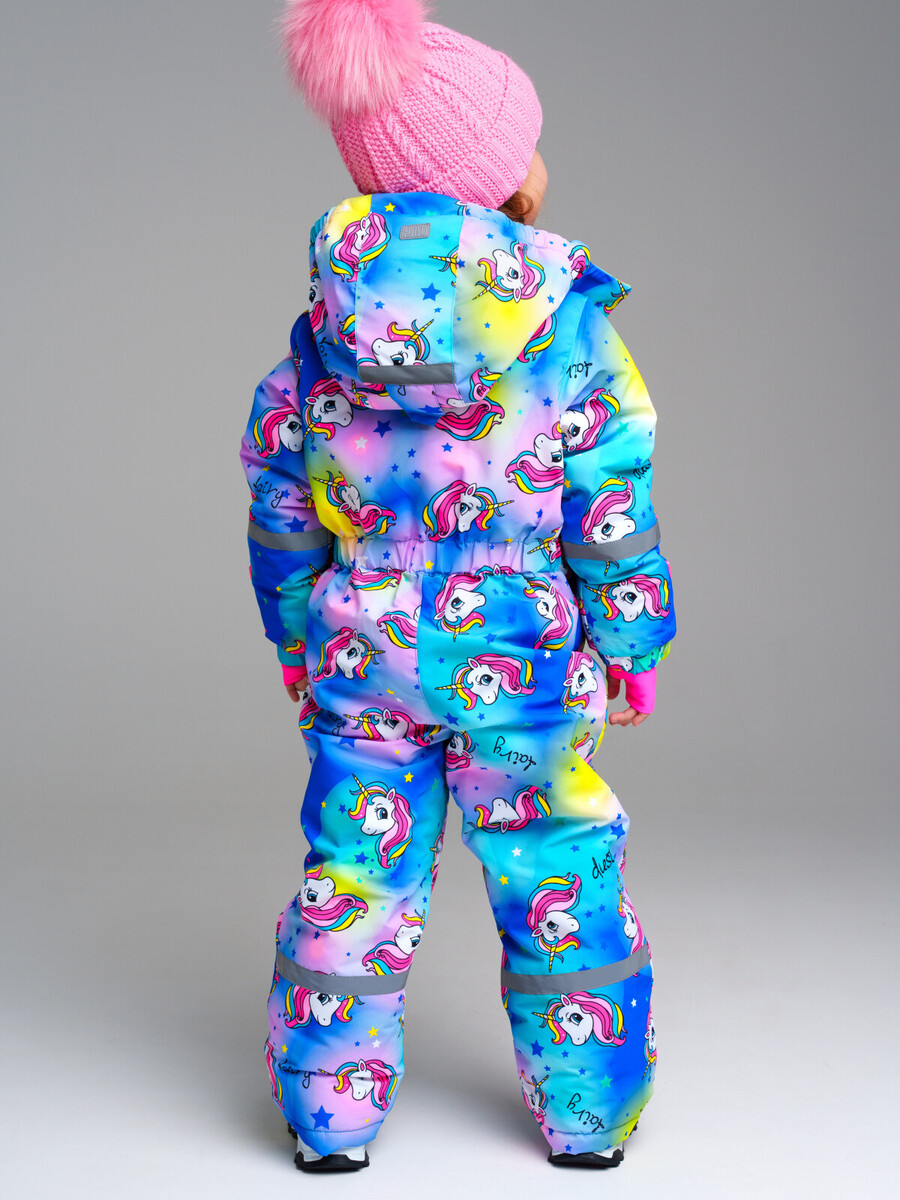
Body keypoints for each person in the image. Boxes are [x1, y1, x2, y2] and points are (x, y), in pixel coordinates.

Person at [239, 0, 676, 1174]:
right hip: (520, 659)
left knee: (355, 878)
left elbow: (282, 504)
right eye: (526, 139)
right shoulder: (565, 330)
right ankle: (590, 1121)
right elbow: (612, 507)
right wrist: (633, 646)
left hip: (363, 655)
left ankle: (328, 1124)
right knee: (558, 865)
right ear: (497, 179)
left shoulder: (321, 337)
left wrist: (298, 642)